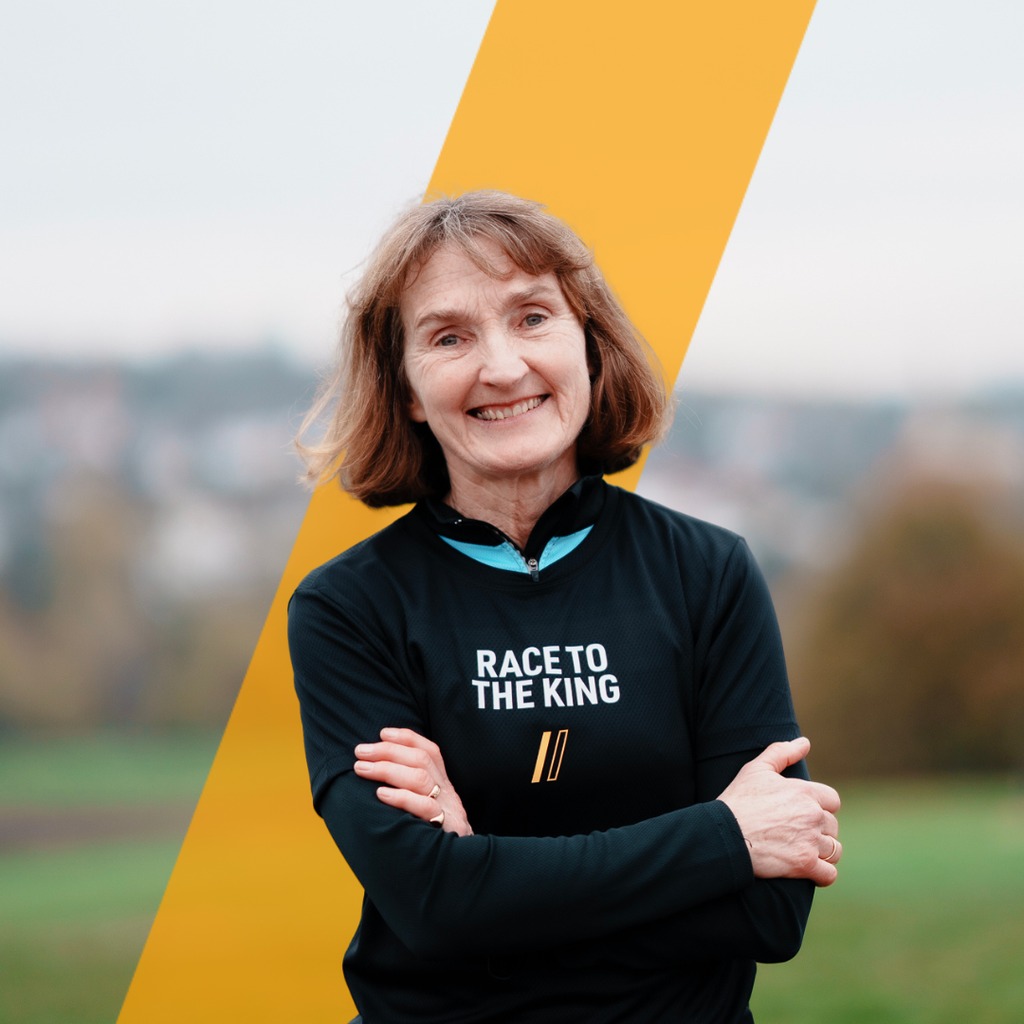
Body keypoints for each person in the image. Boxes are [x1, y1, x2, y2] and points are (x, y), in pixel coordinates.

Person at [288, 190, 842, 1023]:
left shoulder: (707, 574)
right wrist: (723, 840)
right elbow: (433, 910)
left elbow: (769, 913)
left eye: (533, 317)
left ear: (589, 343)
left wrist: (487, 880)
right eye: (449, 337)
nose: (504, 367)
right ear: (405, 388)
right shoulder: (347, 609)